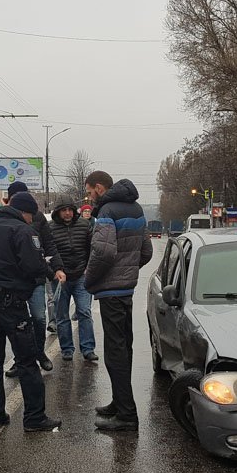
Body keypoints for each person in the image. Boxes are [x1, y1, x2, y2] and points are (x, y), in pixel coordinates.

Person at [0, 190, 63, 432]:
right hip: (11, 301)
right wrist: (49, 274)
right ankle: (34, 417)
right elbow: (33, 266)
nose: (32, 220)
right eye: (31, 215)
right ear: (24, 211)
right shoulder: (23, 230)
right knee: (27, 358)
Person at [84, 171, 153, 432]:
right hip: (125, 290)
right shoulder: (136, 209)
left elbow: (103, 251)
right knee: (124, 348)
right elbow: (146, 251)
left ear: (99, 188)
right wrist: (129, 271)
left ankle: (126, 415)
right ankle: (119, 402)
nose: (89, 197)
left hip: (110, 291)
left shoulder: (106, 211)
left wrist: (90, 280)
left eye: (90, 192)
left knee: (115, 353)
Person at [2, 182, 64, 376]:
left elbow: (49, 244)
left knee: (38, 317)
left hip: (36, 278)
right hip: (13, 281)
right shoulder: (3, 218)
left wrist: (58, 267)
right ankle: (19, 360)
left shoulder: (36, 216)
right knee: (16, 322)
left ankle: (39, 353)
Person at [49, 199, 97, 362]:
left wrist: (88, 267)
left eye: (70, 209)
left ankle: (88, 348)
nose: (67, 213)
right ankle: (67, 349)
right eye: (64, 210)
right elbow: (47, 252)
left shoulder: (84, 225)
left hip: (81, 276)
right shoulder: (51, 228)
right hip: (60, 278)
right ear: (58, 212)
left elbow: (93, 248)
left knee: (84, 311)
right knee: (62, 315)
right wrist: (55, 271)